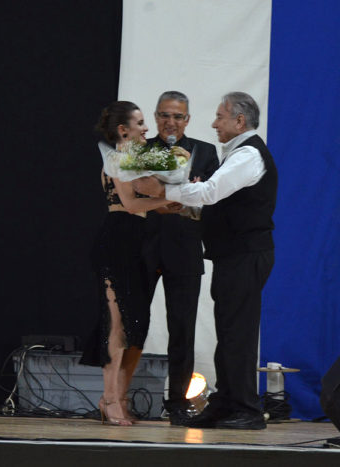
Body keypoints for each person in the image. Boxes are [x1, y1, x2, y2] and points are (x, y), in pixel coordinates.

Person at [133, 92, 277, 430]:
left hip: (245, 254)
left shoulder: (248, 155)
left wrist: (164, 192)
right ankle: (225, 404)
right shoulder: (237, 154)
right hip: (232, 255)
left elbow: (210, 193)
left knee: (237, 333)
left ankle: (246, 410)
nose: (214, 123)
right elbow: (214, 202)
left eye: (220, 117)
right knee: (229, 332)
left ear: (239, 121)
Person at [80, 101, 179, 426]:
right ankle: (109, 399)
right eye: (139, 123)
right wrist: (173, 197)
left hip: (137, 242)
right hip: (117, 242)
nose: (146, 128)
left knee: (135, 325)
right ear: (123, 130)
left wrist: (173, 202)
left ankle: (118, 397)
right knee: (117, 325)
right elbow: (130, 202)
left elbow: (146, 205)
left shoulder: (132, 160)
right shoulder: (118, 159)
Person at [142, 91, 219, 426]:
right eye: (164, 115)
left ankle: (177, 403)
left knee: (182, 329)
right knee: (130, 326)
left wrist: (196, 202)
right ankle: (118, 396)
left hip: (185, 250)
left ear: (187, 120)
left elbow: (215, 202)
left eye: (178, 116)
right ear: (156, 116)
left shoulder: (205, 152)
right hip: (141, 249)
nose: (170, 122)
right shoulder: (138, 152)